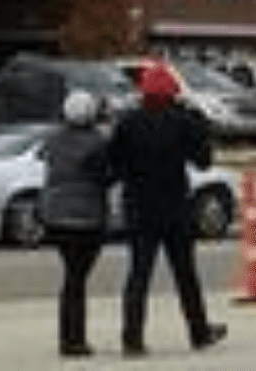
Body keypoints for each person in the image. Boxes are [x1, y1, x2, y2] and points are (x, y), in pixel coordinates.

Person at [107, 60, 226, 356]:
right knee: (186, 275)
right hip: (174, 207)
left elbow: (113, 164)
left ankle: (132, 338)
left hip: (139, 207)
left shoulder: (128, 123)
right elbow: (203, 161)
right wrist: (200, 127)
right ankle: (199, 332)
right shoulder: (183, 120)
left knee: (138, 275)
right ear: (172, 92)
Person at [41, 88, 113, 359]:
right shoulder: (99, 143)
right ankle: (74, 340)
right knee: (76, 278)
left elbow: (47, 162)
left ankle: (69, 337)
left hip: (56, 215)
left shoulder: (54, 141)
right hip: (88, 218)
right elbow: (107, 176)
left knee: (73, 277)